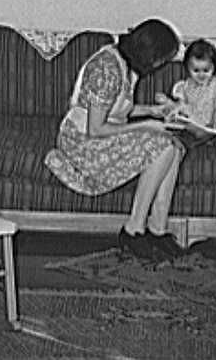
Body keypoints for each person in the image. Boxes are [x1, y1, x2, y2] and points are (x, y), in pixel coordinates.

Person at [44, 18, 186, 261]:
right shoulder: (107, 69)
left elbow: (115, 110)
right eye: (160, 59)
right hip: (81, 144)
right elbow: (96, 128)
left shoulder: (125, 65)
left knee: (173, 144)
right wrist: (146, 125)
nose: (159, 65)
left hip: (97, 135)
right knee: (161, 146)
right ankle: (133, 230)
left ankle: (158, 229)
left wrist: (152, 111)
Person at [169, 39, 216, 129]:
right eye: (196, 70)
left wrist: (214, 128)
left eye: (206, 70)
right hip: (191, 126)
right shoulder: (184, 87)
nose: (201, 75)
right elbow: (181, 107)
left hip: (213, 125)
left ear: (214, 68)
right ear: (187, 68)